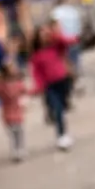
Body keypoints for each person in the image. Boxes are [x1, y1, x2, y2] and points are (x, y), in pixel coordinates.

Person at [30, 20, 75, 151]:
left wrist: (53, 34)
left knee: (63, 106)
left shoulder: (56, 46)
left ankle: (63, 131)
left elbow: (67, 42)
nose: (44, 36)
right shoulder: (36, 56)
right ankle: (61, 136)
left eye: (46, 33)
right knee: (58, 109)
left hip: (63, 81)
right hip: (50, 86)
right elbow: (36, 73)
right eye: (41, 34)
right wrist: (39, 87)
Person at [50, 0, 83, 78]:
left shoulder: (56, 12)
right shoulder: (72, 10)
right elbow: (78, 22)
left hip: (65, 38)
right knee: (76, 55)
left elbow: (56, 25)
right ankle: (77, 70)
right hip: (75, 36)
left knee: (67, 57)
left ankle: (71, 74)